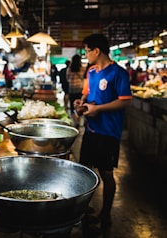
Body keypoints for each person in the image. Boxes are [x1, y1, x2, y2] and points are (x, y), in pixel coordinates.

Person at [74, 34, 132, 231]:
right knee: (86, 171)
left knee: (106, 174)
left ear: (96, 51)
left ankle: (106, 213)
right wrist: (81, 104)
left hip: (108, 133)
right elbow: (87, 94)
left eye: (87, 51)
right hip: (91, 130)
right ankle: (85, 209)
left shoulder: (118, 73)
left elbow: (125, 100)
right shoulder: (91, 72)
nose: (86, 55)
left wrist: (98, 109)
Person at [67, 54, 85, 127]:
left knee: (72, 106)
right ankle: (79, 120)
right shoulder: (82, 68)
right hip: (80, 90)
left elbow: (67, 79)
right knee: (80, 106)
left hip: (72, 90)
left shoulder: (69, 69)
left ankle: (75, 122)